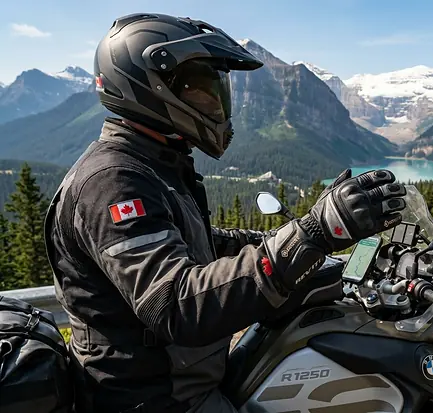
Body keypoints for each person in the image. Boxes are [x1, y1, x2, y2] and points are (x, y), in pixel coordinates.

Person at [43, 13, 407, 413]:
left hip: (186, 384)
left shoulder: (154, 163)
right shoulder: (111, 181)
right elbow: (176, 303)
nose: (217, 100)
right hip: (156, 400)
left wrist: (294, 237)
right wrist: (312, 235)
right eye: (202, 86)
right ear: (152, 87)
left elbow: (195, 243)